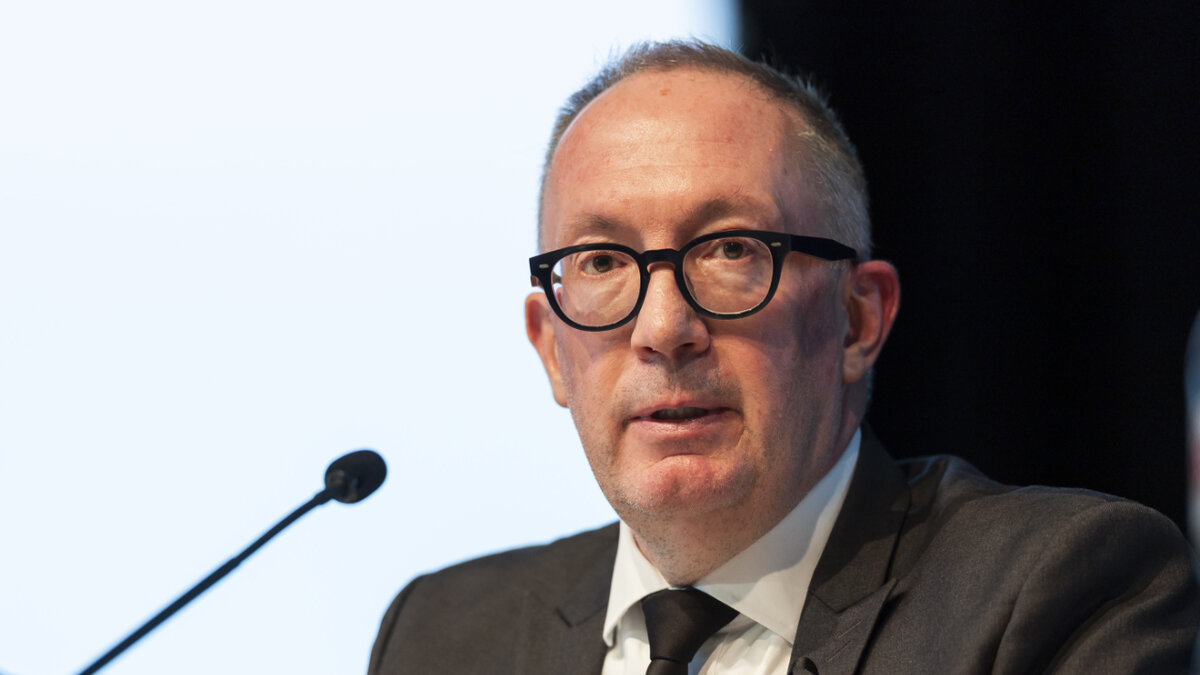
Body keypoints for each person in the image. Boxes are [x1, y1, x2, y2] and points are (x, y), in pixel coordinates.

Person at [367, 41, 1199, 674]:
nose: (663, 327)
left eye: (730, 249)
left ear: (858, 319)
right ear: (551, 346)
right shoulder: (441, 636)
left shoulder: (1055, 593)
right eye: (602, 261)